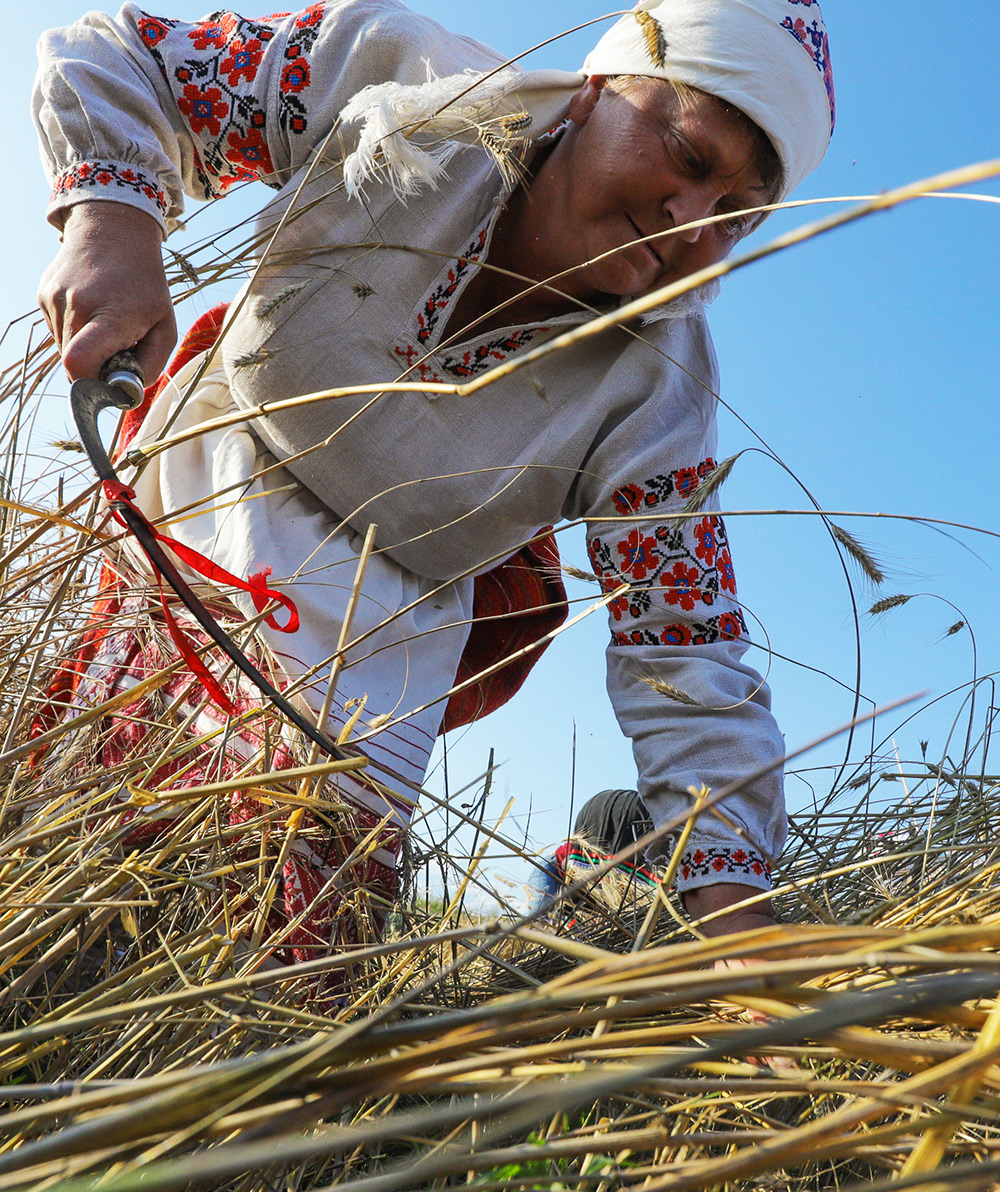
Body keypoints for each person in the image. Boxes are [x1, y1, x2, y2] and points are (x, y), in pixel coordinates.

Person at [32, 0, 835, 949]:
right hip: (194, 508)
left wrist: (729, 905)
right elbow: (123, 52)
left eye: (737, 216)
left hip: (378, 650)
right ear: (595, 91)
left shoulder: (659, 390)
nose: (692, 221)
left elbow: (686, 644)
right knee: (64, 854)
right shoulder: (402, 86)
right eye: (690, 158)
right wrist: (112, 219)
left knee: (262, 954)